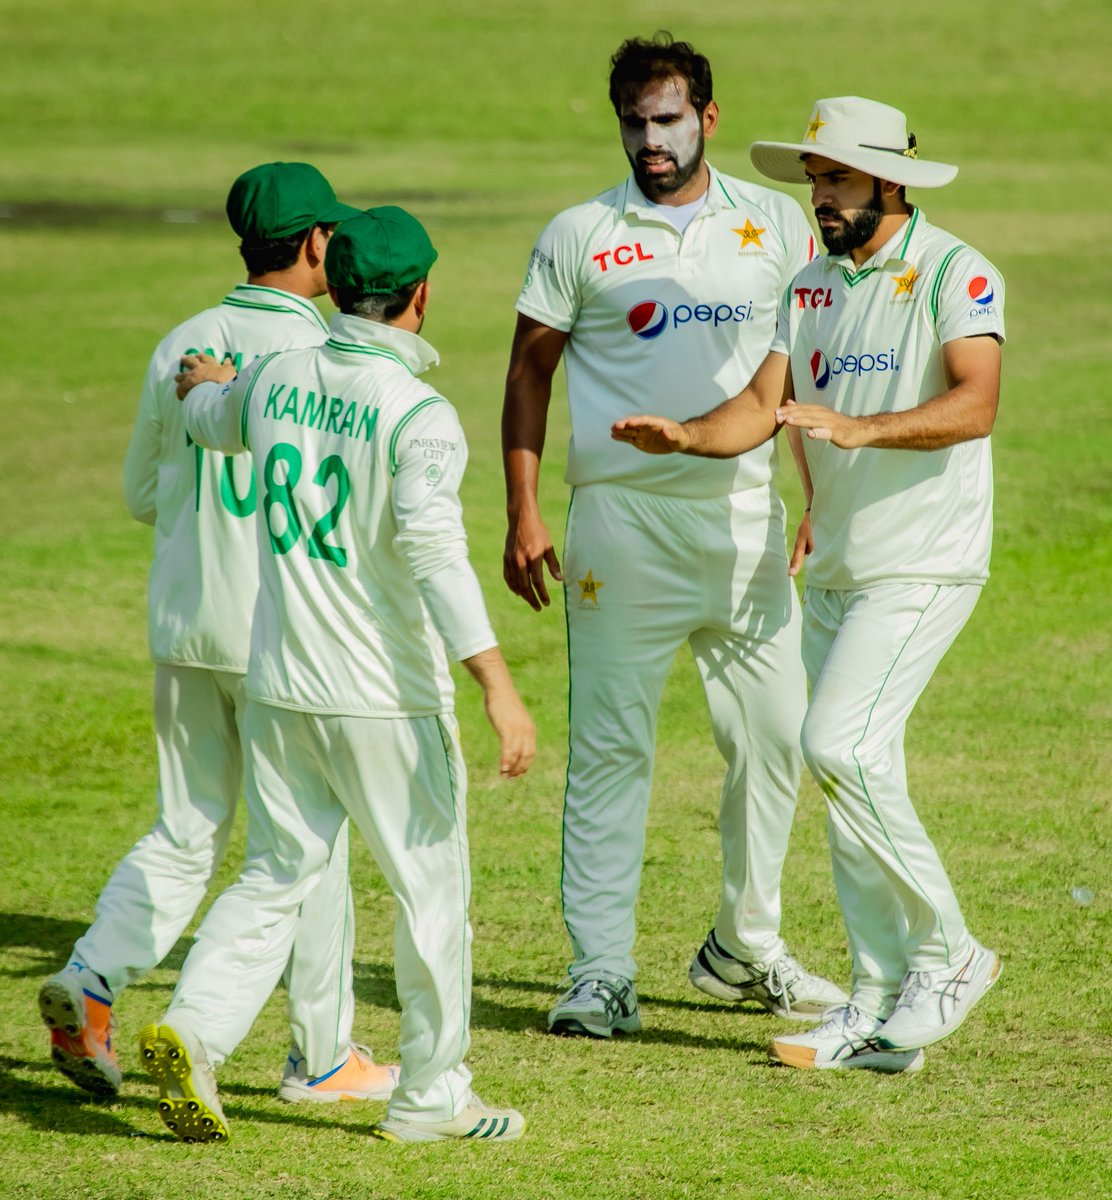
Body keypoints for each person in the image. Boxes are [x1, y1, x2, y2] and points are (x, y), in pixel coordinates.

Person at [613, 96, 1004, 1072]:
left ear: (886, 181)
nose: (817, 195)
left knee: (837, 744)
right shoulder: (809, 285)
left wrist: (861, 430)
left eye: (832, 178)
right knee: (844, 774)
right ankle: (873, 1002)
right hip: (833, 565)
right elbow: (762, 406)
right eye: (812, 179)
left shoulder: (955, 270)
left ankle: (949, 956)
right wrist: (689, 436)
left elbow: (976, 401)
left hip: (923, 559)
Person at [152, 205, 535, 1144]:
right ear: (420, 295)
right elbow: (437, 552)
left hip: (281, 686)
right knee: (431, 894)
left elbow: (209, 420)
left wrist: (207, 379)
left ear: (341, 281)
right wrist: (496, 680)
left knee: (274, 874)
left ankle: (193, 1030)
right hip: (385, 700)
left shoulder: (278, 376)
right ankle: (430, 1098)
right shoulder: (419, 413)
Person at [502, 33, 844, 1039]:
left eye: (666, 120)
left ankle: (744, 946)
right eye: (633, 124)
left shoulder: (776, 221)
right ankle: (599, 971)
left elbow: (798, 371)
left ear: (707, 117)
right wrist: (522, 510)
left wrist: (813, 490)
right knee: (611, 750)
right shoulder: (578, 232)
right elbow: (529, 370)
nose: (649, 143)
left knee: (779, 736)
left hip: (744, 517)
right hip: (620, 523)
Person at [38, 162, 399, 1106]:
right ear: (317, 243)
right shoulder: (324, 353)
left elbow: (141, 494)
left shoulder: (182, 340)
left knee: (184, 830)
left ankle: (89, 983)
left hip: (182, 618)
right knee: (304, 850)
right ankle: (322, 1057)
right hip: (283, 634)